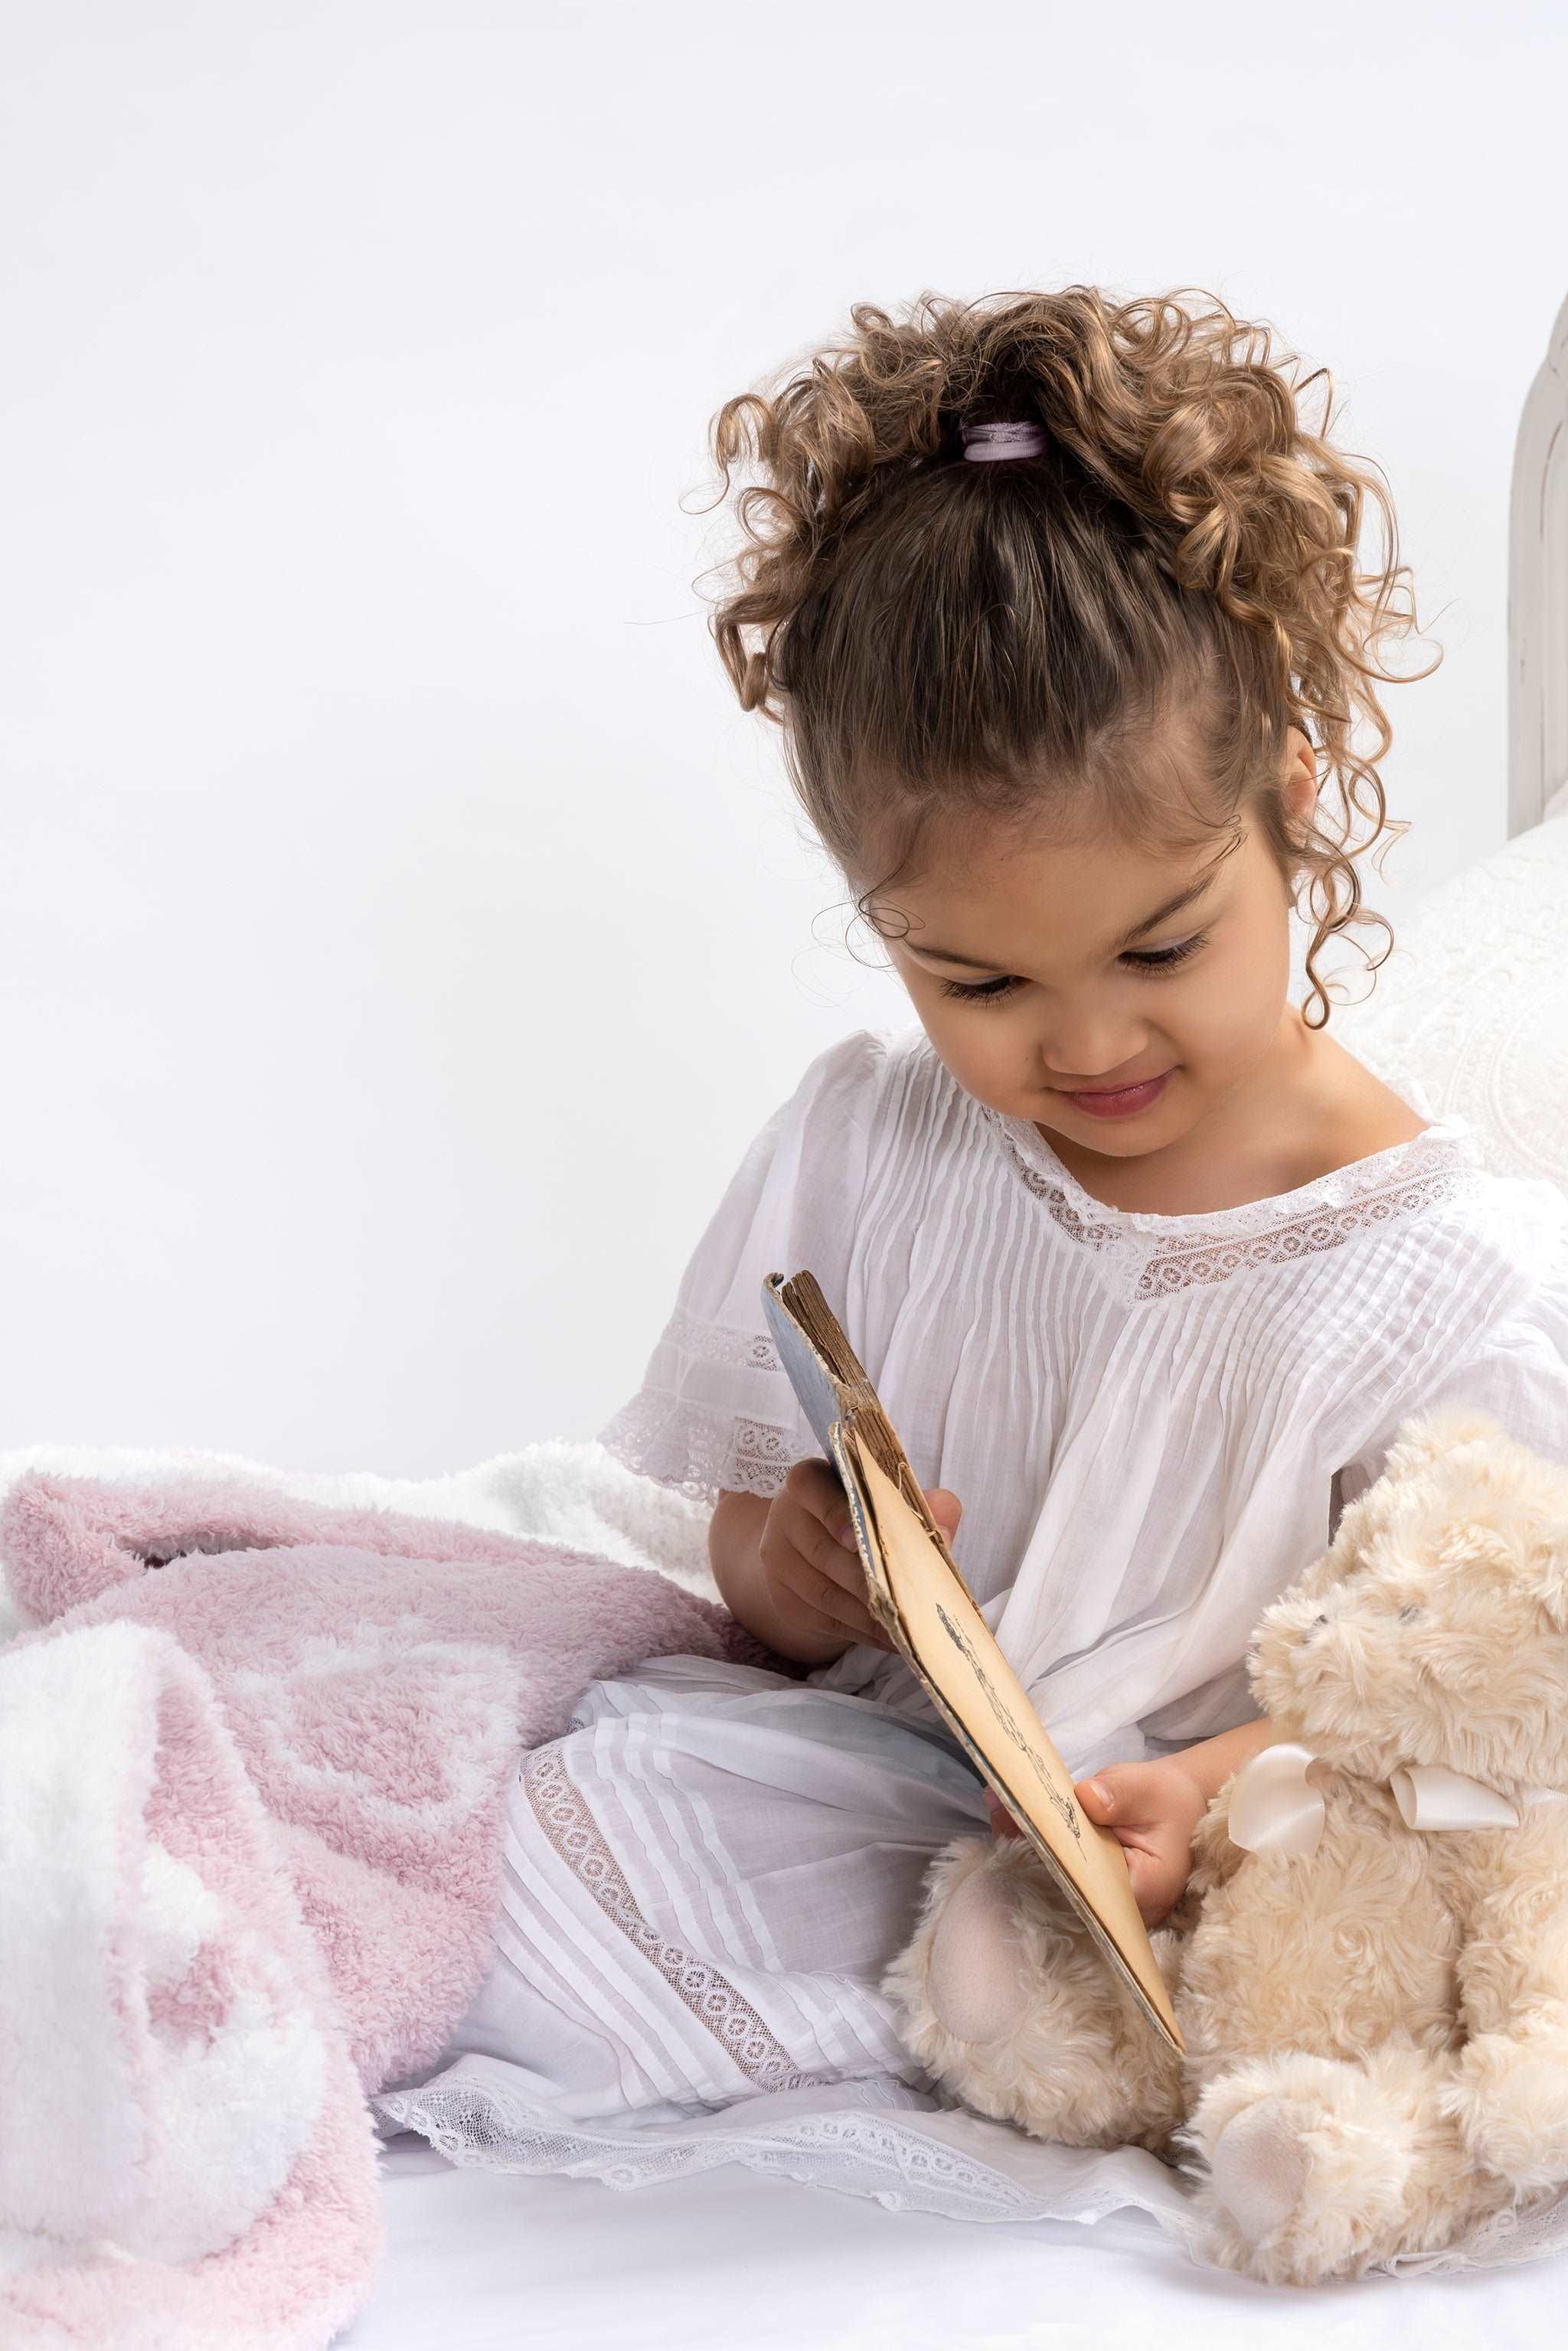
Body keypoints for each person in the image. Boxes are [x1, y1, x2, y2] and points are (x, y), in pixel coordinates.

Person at [376, 287, 1568, 2209]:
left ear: (1298, 795)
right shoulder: (874, 1137)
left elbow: (1483, 1695)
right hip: (838, 1777)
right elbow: (676, 1534)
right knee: (414, 1772)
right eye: (976, 977)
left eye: (1162, 946)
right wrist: (797, 1565)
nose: (1084, 1046)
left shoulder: (1450, 1293)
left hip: (1135, 1892)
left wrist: (1213, 1787)